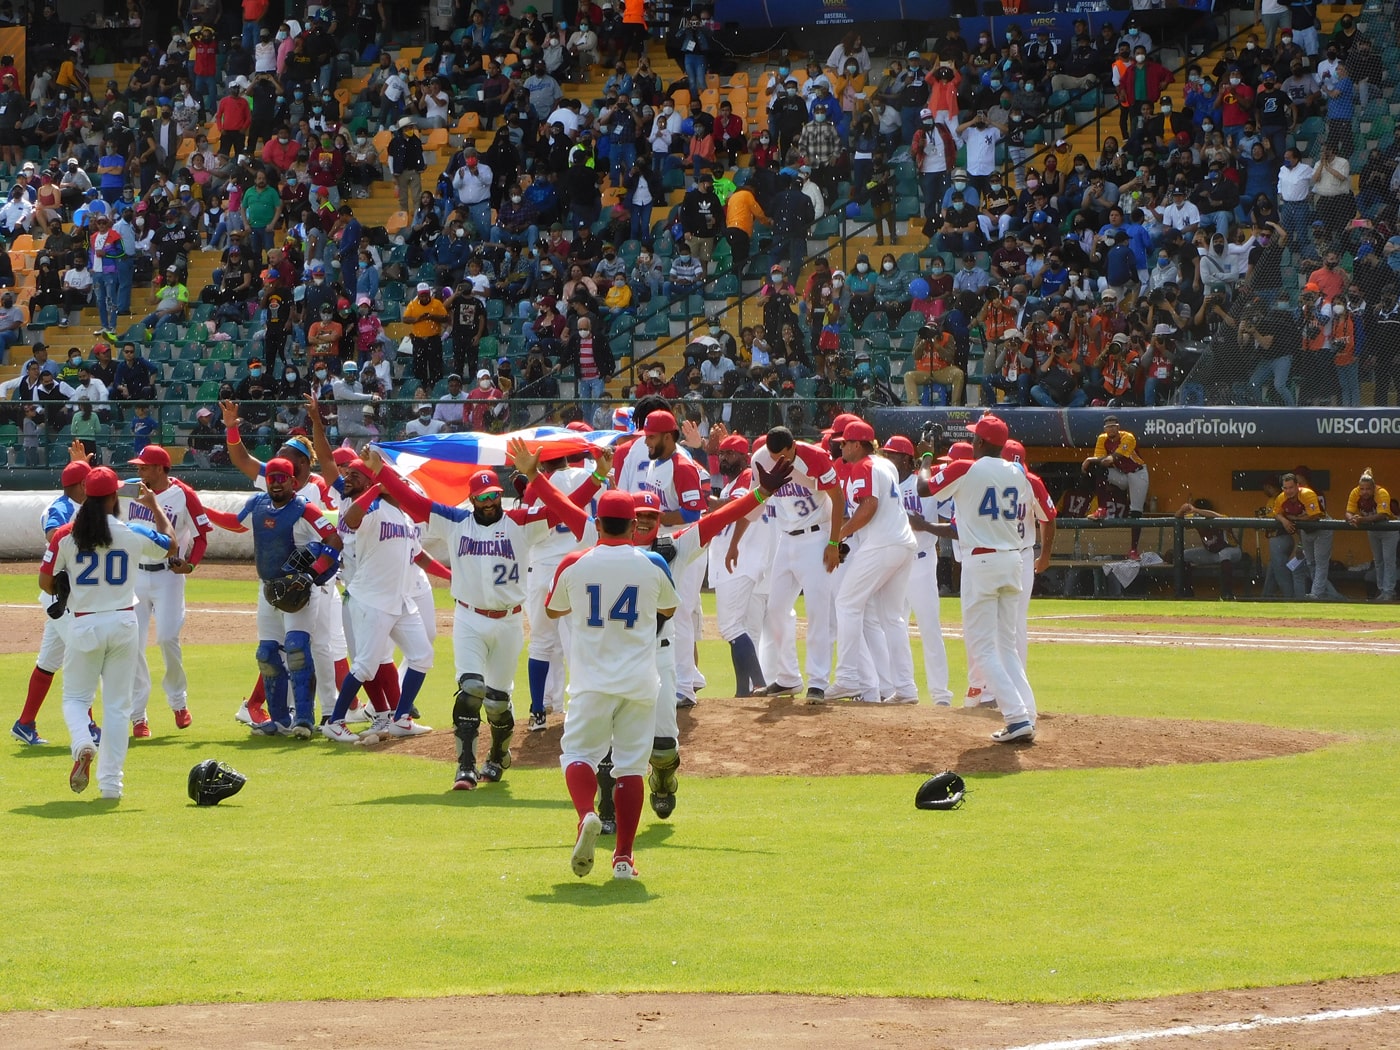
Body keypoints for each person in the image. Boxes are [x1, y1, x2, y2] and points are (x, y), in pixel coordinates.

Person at [363, 449, 571, 789]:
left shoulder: (519, 523)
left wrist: (587, 478)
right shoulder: (456, 522)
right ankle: (465, 766)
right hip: (470, 618)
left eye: (494, 495)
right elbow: (414, 502)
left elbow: (564, 509)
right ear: (471, 499)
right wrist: (381, 473)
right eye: (482, 497)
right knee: (470, 690)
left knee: (498, 701)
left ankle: (498, 754)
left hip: (508, 622)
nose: (489, 502)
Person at [40, 468, 175, 800]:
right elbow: (170, 545)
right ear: (115, 498)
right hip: (124, 623)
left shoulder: (66, 536)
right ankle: (111, 785)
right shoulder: (131, 532)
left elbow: (45, 582)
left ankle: (83, 741)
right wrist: (156, 508)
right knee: (117, 708)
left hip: (85, 622)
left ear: (85, 496)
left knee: (75, 699)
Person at [921, 415, 1038, 743]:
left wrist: (927, 457)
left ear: (983, 443)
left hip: (982, 561)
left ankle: (1016, 717)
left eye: (975, 438)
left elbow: (923, 487)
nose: (972, 442)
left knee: (984, 647)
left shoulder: (966, 468)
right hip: (1012, 559)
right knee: (1006, 646)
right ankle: (1027, 712)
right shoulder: (1017, 472)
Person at [320, 457, 436, 743]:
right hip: (370, 598)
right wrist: (375, 487)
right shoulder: (367, 506)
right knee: (365, 665)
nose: (347, 478)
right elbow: (350, 520)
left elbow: (419, 556)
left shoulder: (405, 517)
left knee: (422, 655)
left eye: (355, 475)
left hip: (400, 600)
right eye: (347, 474)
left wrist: (452, 576)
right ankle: (335, 722)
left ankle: (401, 718)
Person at [234, 454, 343, 736]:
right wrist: (200, 511)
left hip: (300, 589)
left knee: (296, 648)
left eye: (282, 479)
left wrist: (312, 573)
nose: (276, 484)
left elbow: (334, 541)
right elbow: (234, 523)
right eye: (271, 478)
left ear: (294, 481)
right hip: (268, 588)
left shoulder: (305, 509)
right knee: (267, 653)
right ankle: (280, 719)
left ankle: (304, 718)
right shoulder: (257, 506)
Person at [745, 425, 846, 702]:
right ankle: (788, 678)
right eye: (771, 454)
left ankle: (818, 682)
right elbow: (755, 499)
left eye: (781, 454)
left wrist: (834, 543)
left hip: (816, 538)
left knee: (817, 612)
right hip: (786, 538)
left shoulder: (815, 458)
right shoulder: (762, 459)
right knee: (776, 609)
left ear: (791, 447)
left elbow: (838, 499)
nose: (776, 459)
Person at [824, 421, 918, 705]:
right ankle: (905, 688)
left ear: (857, 444)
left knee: (846, 603)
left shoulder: (863, 466)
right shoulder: (885, 465)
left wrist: (838, 535)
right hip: (903, 544)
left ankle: (847, 678)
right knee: (892, 617)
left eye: (845, 442)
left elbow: (869, 505)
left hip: (883, 543)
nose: (841, 446)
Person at [122, 444, 212, 738]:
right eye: (138, 467)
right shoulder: (133, 489)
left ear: (160, 468)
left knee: (167, 636)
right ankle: (138, 716)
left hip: (168, 575)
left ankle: (178, 701)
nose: (139, 471)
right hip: (135, 574)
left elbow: (201, 538)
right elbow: (98, 491)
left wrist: (190, 565)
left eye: (144, 467)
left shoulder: (184, 494)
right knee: (132, 643)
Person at [12, 453, 98, 747]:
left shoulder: (88, 506)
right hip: (60, 597)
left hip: (71, 597)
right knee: (85, 653)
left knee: (48, 662)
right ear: (81, 485)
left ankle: (24, 724)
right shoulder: (60, 508)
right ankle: (89, 727)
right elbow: (53, 536)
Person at [884, 435, 953, 705]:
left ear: (906, 459)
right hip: (893, 563)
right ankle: (901, 688)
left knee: (929, 628)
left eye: (893, 454)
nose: (888, 458)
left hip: (922, 561)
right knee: (893, 626)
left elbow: (949, 515)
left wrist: (924, 524)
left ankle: (941, 695)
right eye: (887, 453)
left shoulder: (922, 483)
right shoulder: (885, 484)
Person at [1084, 415, 1151, 558]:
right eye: (1108, 427)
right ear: (1105, 429)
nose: (1110, 429)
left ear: (1118, 427)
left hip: (1137, 473)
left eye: (1113, 426)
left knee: (1135, 512)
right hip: (1122, 475)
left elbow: (1112, 458)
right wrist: (1091, 461)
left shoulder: (1128, 437)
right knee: (1098, 468)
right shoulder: (1103, 438)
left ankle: (1133, 549)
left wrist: (1090, 459)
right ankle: (1102, 509)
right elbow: (1101, 461)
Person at [1273, 471, 1341, 600]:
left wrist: (1293, 518)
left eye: (1291, 487)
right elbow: (1276, 513)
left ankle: (1316, 593)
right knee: (1310, 563)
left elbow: (1314, 516)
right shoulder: (1281, 498)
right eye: (1285, 488)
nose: (1288, 491)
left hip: (1322, 526)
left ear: (1297, 486)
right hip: (1305, 530)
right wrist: (1285, 520)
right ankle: (1322, 594)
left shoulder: (1307, 494)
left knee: (1320, 562)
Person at [1176, 499, 1244, 599]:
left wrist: (1197, 510)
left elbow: (1217, 516)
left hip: (1232, 551)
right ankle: (1187, 592)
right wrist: (1182, 510)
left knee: (1224, 554)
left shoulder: (1218, 519)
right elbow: (1177, 517)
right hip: (1212, 553)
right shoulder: (1196, 520)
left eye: (1200, 512)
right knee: (1184, 555)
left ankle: (1227, 594)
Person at [1346, 469, 1396, 602]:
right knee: (1378, 561)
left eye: (1368, 489)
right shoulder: (1355, 492)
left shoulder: (1381, 492)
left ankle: (1389, 591)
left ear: (1373, 487)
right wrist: (1352, 519)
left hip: (1389, 529)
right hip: (1373, 530)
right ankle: (1381, 590)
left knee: (1388, 560)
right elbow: (1348, 512)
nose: (1364, 492)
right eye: (1362, 489)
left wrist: (1361, 520)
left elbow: (1382, 515)